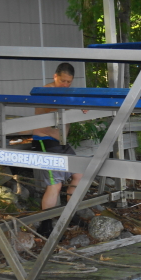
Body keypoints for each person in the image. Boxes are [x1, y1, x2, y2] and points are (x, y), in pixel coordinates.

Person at [28, 63, 84, 235]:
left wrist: (82, 104)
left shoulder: (65, 93)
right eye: (63, 81)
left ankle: (70, 212)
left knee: (79, 174)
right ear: (55, 77)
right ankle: (45, 225)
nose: (65, 85)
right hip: (45, 141)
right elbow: (52, 109)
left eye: (69, 82)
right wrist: (77, 103)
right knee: (55, 184)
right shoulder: (47, 91)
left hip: (61, 142)